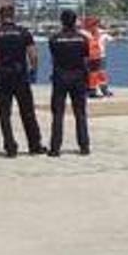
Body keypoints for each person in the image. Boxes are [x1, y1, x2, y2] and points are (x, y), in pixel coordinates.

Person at [0, 5, 45, 157]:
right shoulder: (23, 32)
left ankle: (10, 146)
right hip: (20, 76)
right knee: (28, 112)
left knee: (4, 113)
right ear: (13, 15)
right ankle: (34, 144)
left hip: (2, 76)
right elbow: (33, 55)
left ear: (0, 16)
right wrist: (33, 71)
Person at [47, 9, 90, 156]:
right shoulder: (83, 39)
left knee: (58, 113)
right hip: (78, 78)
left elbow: (54, 59)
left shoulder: (54, 39)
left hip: (60, 78)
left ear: (62, 21)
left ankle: (55, 148)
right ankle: (84, 146)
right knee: (80, 113)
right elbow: (85, 60)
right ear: (75, 20)